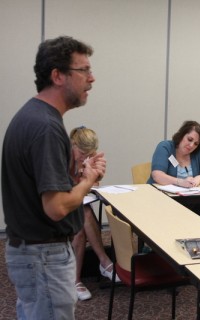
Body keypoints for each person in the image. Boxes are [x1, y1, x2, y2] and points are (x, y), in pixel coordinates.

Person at [2, 36, 106, 319]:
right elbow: (56, 207)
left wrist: (81, 178)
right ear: (58, 76)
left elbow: (45, 196)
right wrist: (88, 180)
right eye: (83, 70)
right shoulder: (46, 127)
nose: (92, 78)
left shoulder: (33, 116)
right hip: (43, 257)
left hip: (31, 253)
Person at [69, 126, 119, 301]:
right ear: (72, 145)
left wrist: (94, 176)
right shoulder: (62, 158)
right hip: (53, 209)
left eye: (89, 153)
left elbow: (94, 186)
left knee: (81, 226)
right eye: (82, 153)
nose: (85, 157)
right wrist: (83, 179)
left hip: (75, 208)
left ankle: (75, 281)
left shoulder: (87, 159)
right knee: (84, 213)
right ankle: (104, 262)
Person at [148, 120, 200, 219]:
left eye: (196, 143)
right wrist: (180, 182)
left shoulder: (198, 152)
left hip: (190, 202)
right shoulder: (165, 147)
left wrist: (199, 178)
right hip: (161, 201)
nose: (191, 145)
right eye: (189, 139)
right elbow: (157, 175)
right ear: (181, 135)